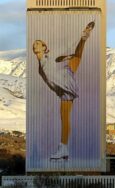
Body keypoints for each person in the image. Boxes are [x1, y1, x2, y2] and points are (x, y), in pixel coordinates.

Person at [32, 21, 95, 160]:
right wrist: (64, 57)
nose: (34, 44)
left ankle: (83, 38)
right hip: (62, 90)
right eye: (34, 44)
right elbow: (57, 60)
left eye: (38, 42)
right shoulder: (43, 62)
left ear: (44, 47)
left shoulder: (46, 58)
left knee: (76, 58)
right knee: (64, 118)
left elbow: (59, 60)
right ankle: (64, 148)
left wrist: (66, 57)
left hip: (65, 78)